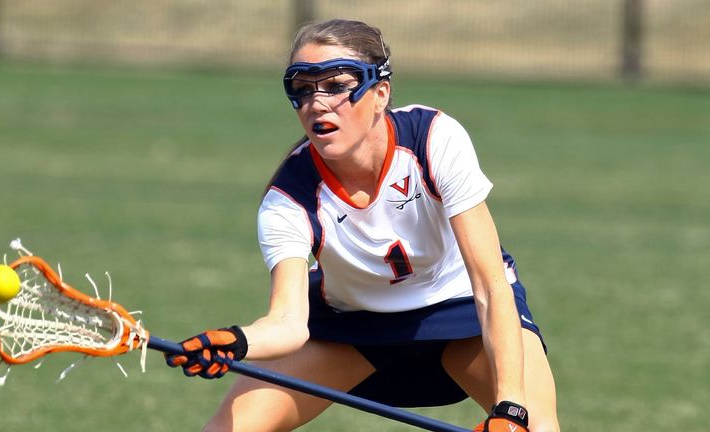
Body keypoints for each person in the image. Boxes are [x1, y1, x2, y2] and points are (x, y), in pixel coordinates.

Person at [166, 19, 560, 432]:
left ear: (380, 94)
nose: (317, 103)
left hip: (461, 316)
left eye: (336, 85)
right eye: (302, 89)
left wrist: (510, 409)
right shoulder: (288, 200)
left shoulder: (434, 140)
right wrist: (236, 341)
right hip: (352, 329)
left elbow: (490, 284)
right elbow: (287, 322)